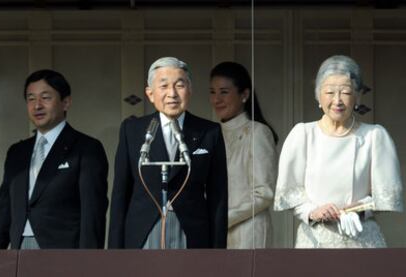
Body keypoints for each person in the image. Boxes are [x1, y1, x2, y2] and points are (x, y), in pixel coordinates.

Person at [274, 55, 403, 248]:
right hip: (316, 240)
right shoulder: (303, 135)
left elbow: (386, 196)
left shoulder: (374, 136)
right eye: (329, 92)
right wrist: (312, 211)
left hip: (361, 238)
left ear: (358, 96)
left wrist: (359, 209)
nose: (337, 100)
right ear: (318, 95)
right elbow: (291, 191)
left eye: (345, 92)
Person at [108, 57, 228, 249]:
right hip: (142, 231)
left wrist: (218, 251)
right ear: (150, 93)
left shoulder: (209, 132)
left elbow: (218, 197)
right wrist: (114, 252)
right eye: (163, 86)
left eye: (179, 85)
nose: (172, 94)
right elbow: (120, 194)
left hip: (192, 232)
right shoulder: (133, 130)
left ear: (190, 90)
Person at [0, 69, 109, 249]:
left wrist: (89, 263)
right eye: (31, 99)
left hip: (63, 252)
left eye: (45, 98)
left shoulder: (87, 148)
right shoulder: (17, 152)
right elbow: (4, 211)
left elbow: (92, 213)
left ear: (66, 102)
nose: (37, 105)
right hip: (19, 249)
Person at [209, 61, 278, 249]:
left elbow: (264, 193)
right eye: (213, 92)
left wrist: (223, 219)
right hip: (214, 235)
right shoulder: (211, 134)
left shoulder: (258, 132)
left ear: (244, 95)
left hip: (248, 234)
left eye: (224, 92)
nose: (217, 99)